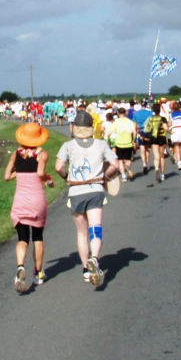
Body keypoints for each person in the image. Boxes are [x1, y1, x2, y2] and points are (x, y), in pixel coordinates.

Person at [55, 111, 119, 288]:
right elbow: (115, 164)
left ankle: (85, 268)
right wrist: (105, 176)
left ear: (74, 127)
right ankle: (94, 258)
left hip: (76, 190)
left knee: (81, 232)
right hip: (96, 189)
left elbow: (58, 166)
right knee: (95, 229)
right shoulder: (101, 145)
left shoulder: (68, 146)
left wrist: (67, 176)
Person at [4, 122, 53, 293]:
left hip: (20, 202)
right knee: (37, 237)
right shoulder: (42, 154)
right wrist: (48, 180)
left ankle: (20, 266)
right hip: (36, 201)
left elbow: (6, 176)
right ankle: (38, 273)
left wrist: (20, 172)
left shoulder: (15, 155)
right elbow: (40, 173)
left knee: (22, 239)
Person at [142, 104, 169, 182]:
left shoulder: (150, 119)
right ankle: (162, 174)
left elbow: (146, 129)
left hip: (153, 139)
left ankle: (156, 168)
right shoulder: (162, 119)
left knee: (156, 156)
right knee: (161, 156)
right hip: (161, 138)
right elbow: (166, 128)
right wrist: (170, 132)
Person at [112, 106, 138, 182]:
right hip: (128, 143)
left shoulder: (116, 122)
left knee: (120, 160)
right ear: (125, 113)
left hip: (119, 143)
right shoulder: (129, 122)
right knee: (128, 159)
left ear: (118, 113)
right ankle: (127, 166)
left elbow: (110, 132)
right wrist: (134, 140)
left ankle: (123, 176)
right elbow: (135, 132)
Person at [134, 100, 154, 174]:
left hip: (140, 131)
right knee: (147, 148)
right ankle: (147, 163)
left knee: (142, 148)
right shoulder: (149, 113)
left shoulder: (136, 113)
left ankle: (144, 163)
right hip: (148, 131)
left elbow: (135, 125)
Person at [169, 101, 181, 169]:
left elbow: (169, 124)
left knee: (176, 147)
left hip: (175, 130)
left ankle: (179, 162)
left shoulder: (171, 114)